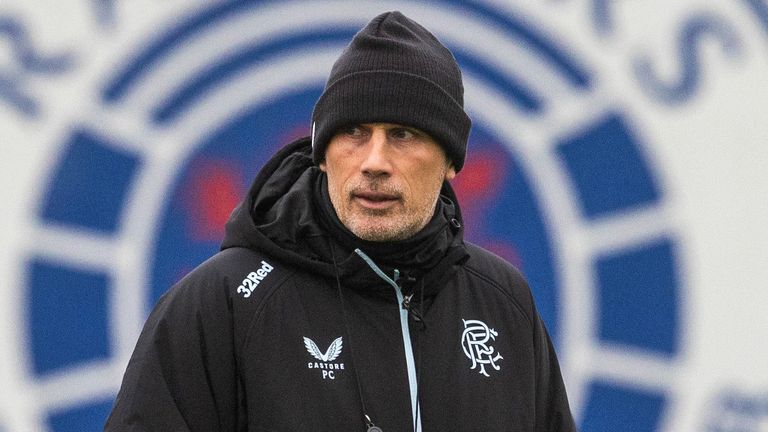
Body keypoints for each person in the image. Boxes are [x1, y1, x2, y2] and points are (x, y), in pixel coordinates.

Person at [105, 11, 576, 432]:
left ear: (451, 160)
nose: (374, 161)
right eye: (353, 132)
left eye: (402, 134)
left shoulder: (503, 300)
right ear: (322, 153)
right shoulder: (223, 301)